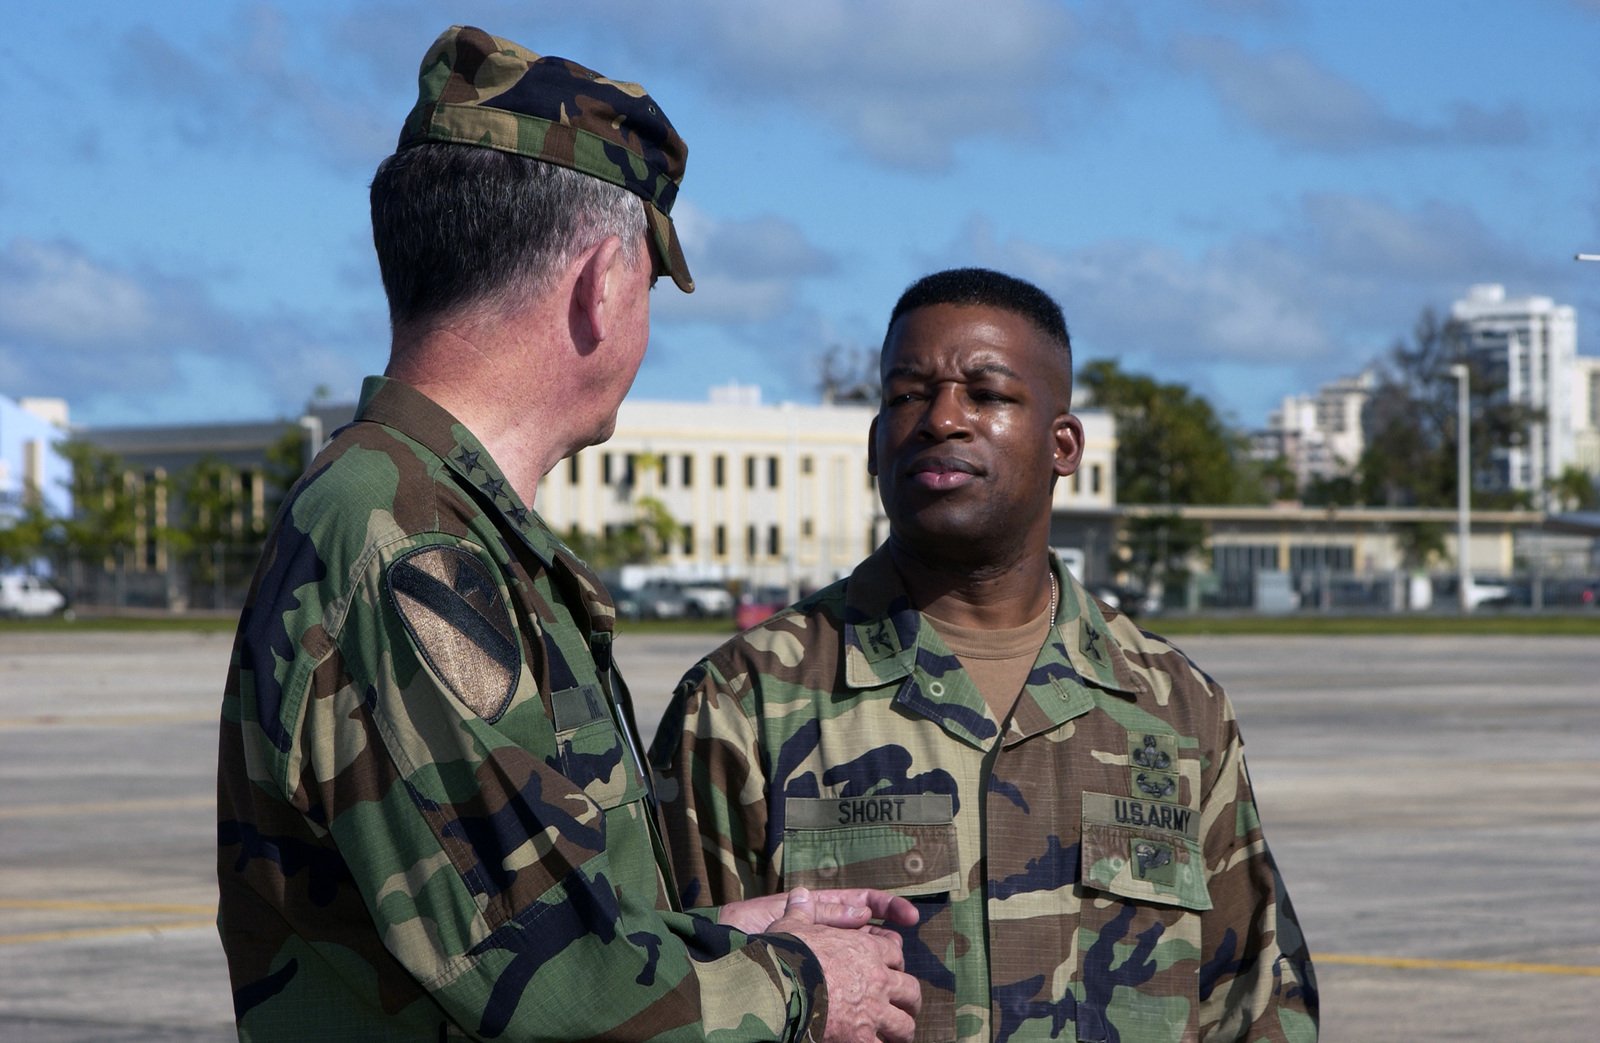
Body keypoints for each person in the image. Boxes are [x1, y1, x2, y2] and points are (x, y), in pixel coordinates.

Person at [216, 25, 919, 1042]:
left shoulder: (437, 521)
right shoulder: (408, 546)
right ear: (600, 283)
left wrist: (718, 940)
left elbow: (503, 920)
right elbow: (556, 995)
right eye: (646, 284)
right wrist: (806, 985)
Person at [651, 268, 1319, 1042]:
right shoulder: (745, 702)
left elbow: (1255, 1002)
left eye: (987, 393)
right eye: (907, 395)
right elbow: (678, 994)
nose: (941, 418)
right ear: (875, 444)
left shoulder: (1176, 707)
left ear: (1062, 444)